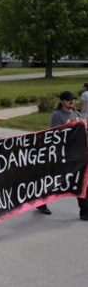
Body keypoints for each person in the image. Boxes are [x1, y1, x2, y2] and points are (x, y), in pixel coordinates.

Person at [36, 90, 88, 220]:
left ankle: (85, 212)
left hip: (75, 154)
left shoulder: (77, 113)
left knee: (81, 181)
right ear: (62, 102)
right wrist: (69, 125)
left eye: (73, 99)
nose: (72, 102)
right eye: (68, 99)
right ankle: (41, 203)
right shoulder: (57, 115)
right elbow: (55, 133)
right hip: (61, 154)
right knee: (54, 180)